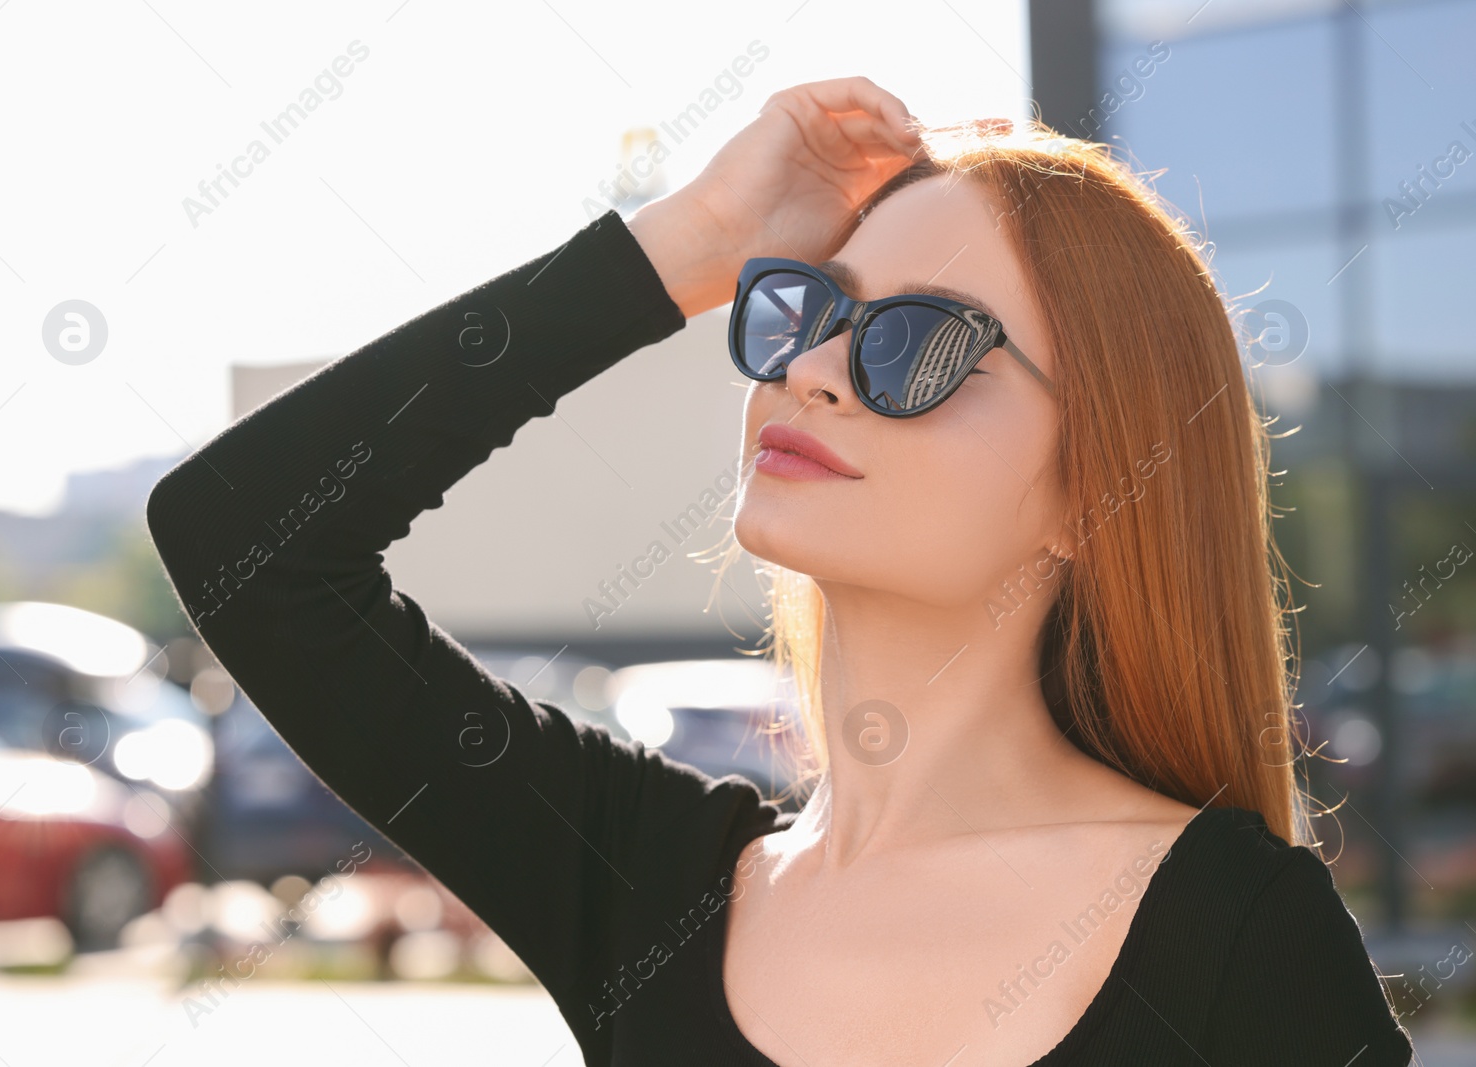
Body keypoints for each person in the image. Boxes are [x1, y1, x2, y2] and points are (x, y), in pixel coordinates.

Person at [146, 76, 1415, 1066]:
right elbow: (247, 541)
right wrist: (685, 244)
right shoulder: (645, 883)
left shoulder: (1240, 933)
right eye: (809, 307)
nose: (809, 369)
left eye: (915, 345)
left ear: (1094, 490)